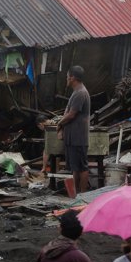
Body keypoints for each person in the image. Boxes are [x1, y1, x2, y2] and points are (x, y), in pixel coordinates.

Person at [57, 66, 91, 194]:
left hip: (79, 136)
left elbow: (71, 114)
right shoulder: (75, 92)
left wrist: (59, 124)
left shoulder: (81, 93)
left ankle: (83, 194)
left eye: (67, 76)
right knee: (75, 167)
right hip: (73, 137)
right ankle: (76, 194)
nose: (66, 79)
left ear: (73, 78)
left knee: (82, 167)